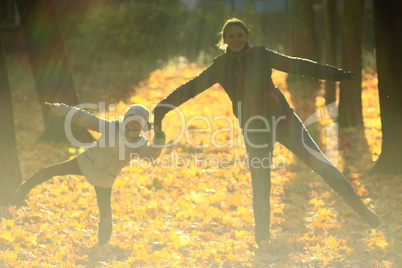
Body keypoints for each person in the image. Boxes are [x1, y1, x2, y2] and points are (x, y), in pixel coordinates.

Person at [153, 18, 380, 250]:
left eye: (240, 35)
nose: (236, 40)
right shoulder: (220, 66)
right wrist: (162, 108)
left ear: (247, 35)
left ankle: (365, 213)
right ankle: (262, 239)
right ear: (224, 41)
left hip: (284, 120)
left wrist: (335, 74)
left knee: (323, 165)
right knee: (261, 184)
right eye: (231, 37)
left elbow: (296, 65)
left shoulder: (262, 54)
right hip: (255, 131)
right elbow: (191, 88)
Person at [13, 102, 166, 246]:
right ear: (126, 117)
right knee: (50, 171)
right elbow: (85, 119)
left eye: (138, 120)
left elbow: (150, 156)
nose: (134, 122)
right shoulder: (111, 127)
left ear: (143, 125)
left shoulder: (138, 143)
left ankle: (102, 245)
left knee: (105, 213)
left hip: (105, 177)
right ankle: (21, 191)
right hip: (85, 162)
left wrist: (159, 137)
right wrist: (61, 109)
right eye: (132, 117)